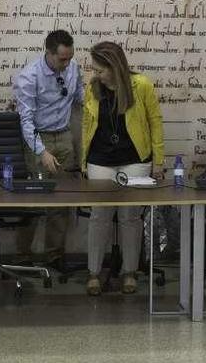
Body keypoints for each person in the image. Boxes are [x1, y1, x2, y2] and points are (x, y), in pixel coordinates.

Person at [81, 41, 165, 295]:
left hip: (135, 159)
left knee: (130, 217)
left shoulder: (142, 85)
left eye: (100, 70)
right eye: (94, 70)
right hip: (100, 159)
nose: (96, 75)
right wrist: (84, 160)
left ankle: (130, 272)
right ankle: (94, 273)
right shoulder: (93, 88)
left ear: (115, 66)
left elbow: (155, 122)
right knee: (99, 217)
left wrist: (159, 160)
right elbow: (87, 124)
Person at [12, 29, 84, 270]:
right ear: (49, 53)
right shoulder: (29, 77)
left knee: (61, 201)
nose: (67, 63)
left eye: (70, 58)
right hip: (37, 138)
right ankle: (23, 256)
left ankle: (55, 255)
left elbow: (81, 97)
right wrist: (41, 152)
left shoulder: (72, 68)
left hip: (63, 135)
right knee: (33, 200)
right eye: (62, 59)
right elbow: (26, 121)